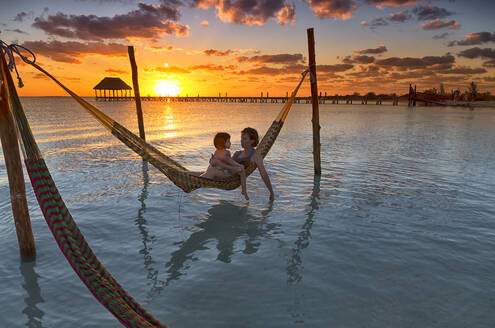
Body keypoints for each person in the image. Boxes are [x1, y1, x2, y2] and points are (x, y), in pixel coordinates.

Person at [211, 127, 275, 201]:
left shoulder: (255, 155)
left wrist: (271, 192)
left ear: (252, 141)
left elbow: (264, 174)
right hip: (224, 174)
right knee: (206, 173)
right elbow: (227, 165)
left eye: (244, 139)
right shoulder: (237, 153)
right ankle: (195, 180)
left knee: (210, 173)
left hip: (230, 179)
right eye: (241, 138)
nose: (241, 141)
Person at [201, 132, 249, 200]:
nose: (230, 143)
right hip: (223, 173)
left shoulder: (217, 151)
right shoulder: (226, 152)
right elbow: (229, 161)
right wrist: (238, 165)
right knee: (241, 170)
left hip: (216, 170)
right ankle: (244, 190)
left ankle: (196, 180)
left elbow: (224, 161)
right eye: (228, 141)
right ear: (223, 143)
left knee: (204, 177)